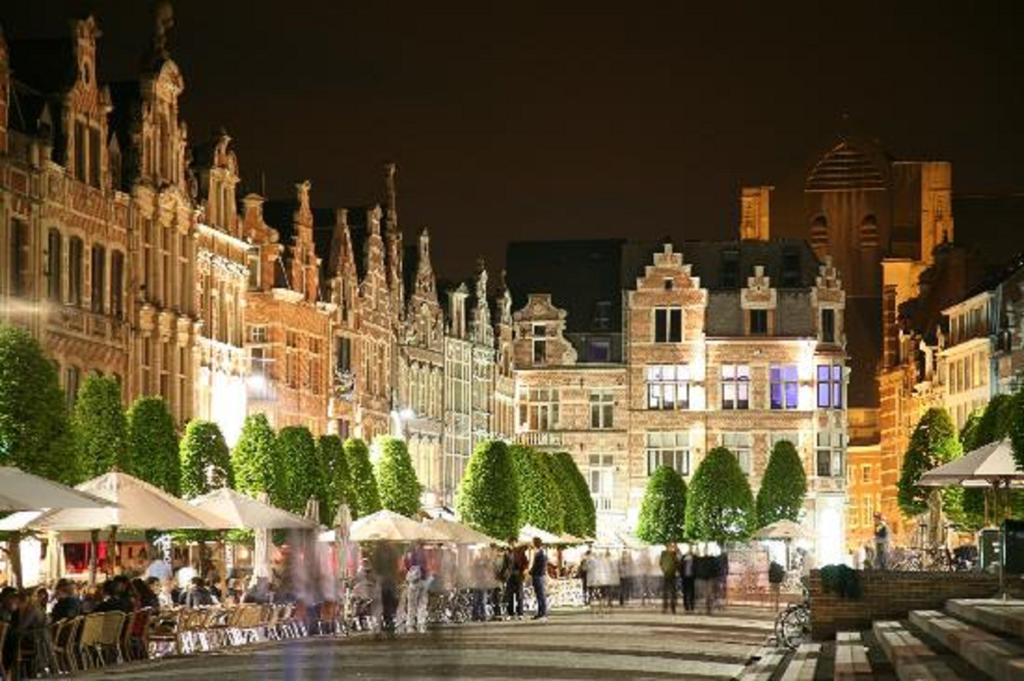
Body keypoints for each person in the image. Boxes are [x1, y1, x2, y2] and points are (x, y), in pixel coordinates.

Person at [502, 540, 527, 620]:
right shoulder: (507, 553)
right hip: (510, 576)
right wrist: (502, 576)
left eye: (513, 543)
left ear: (516, 543)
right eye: (510, 543)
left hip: (518, 575)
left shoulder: (520, 552)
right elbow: (505, 565)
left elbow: (525, 562)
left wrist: (523, 570)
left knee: (519, 595)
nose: (512, 544)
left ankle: (520, 613)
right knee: (509, 595)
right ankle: (510, 613)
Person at [529, 537, 548, 621]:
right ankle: (540, 612)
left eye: (532, 542)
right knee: (539, 595)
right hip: (538, 575)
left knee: (541, 595)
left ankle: (542, 613)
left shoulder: (540, 553)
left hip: (538, 576)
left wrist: (531, 572)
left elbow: (538, 566)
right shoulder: (539, 552)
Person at [659, 542, 679, 614]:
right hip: (666, 575)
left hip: (672, 575)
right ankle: (665, 607)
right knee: (665, 593)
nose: (671, 547)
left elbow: (677, 563)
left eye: (672, 546)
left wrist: (675, 570)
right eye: (670, 546)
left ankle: (672, 608)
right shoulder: (663, 554)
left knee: (672, 592)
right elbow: (661, 563)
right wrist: (664, 570)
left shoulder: (674, 554)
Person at [680, 546, 696, 612]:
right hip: (687, 577)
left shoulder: (692, 558)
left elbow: (680, 567)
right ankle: (688, 606)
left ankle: (689, 606)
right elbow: (680, 567)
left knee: (689, 592)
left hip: (688, 577)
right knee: (689, 592)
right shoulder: (692, 558)